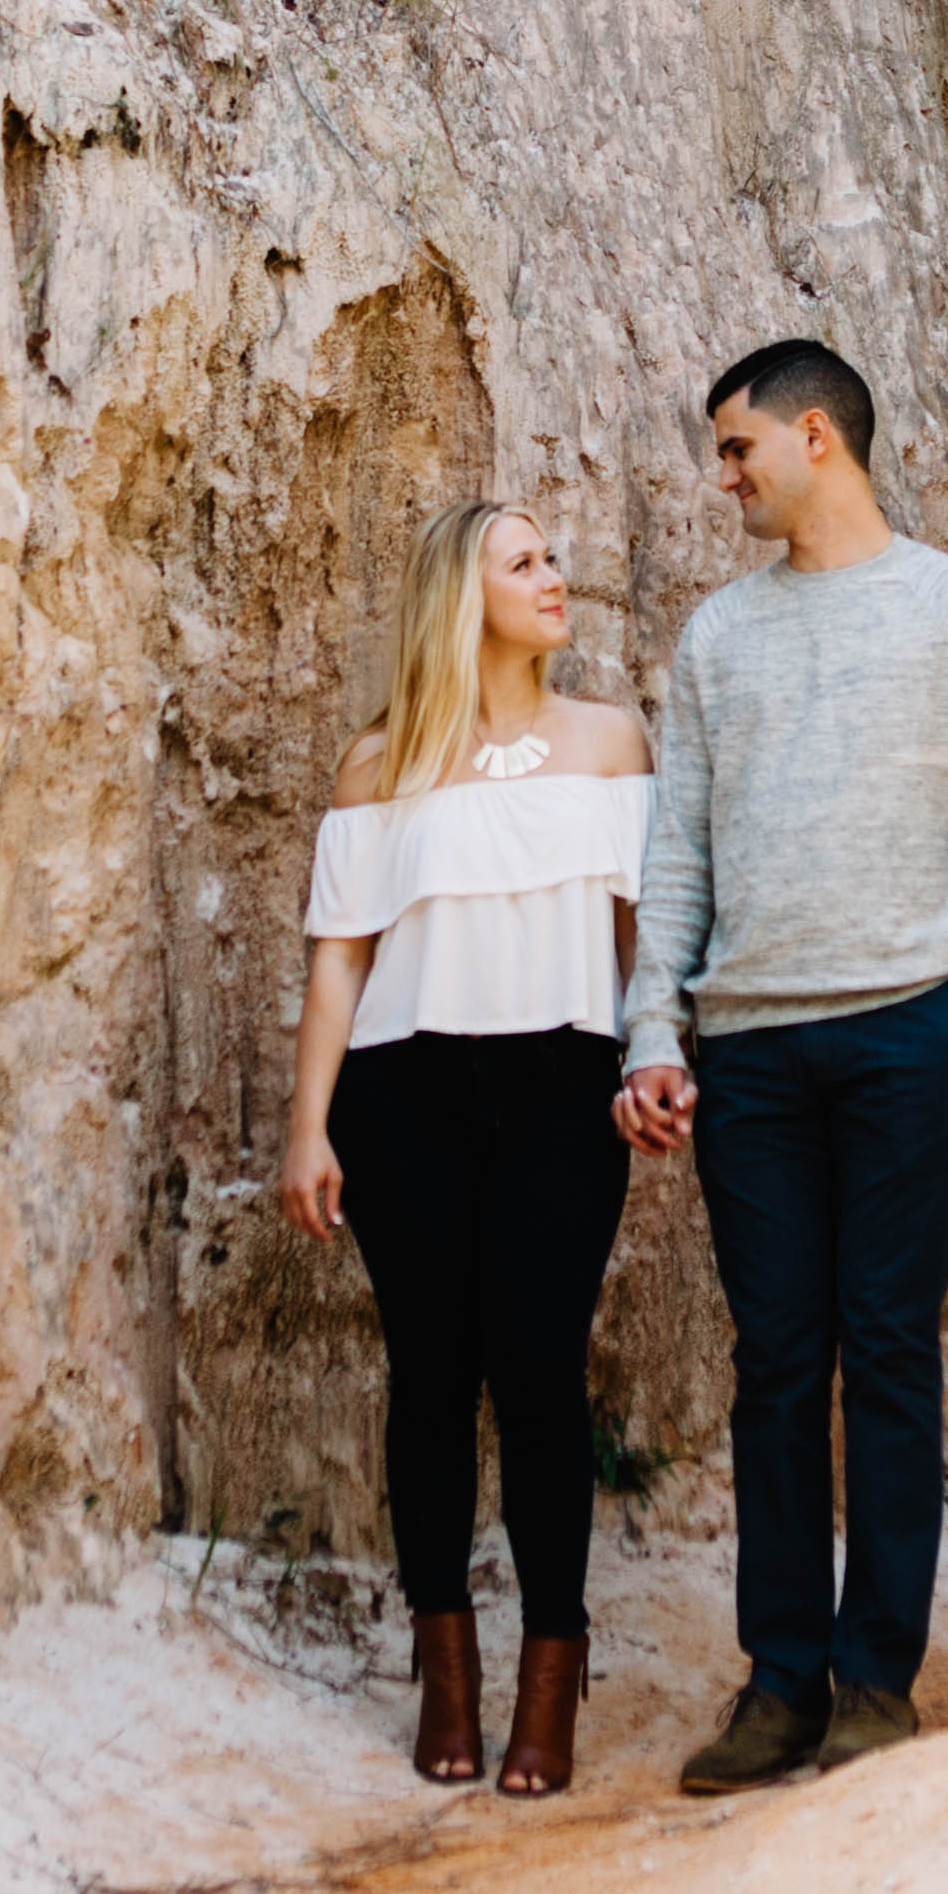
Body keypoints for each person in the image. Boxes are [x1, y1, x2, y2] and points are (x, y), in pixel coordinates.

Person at [615, 339, 948, 1794]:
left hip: (902, 1036)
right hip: (748, 1047)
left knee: (886, 1350)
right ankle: (778, 1683)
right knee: (772, 1366)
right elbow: (671, 854)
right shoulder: (717, 640)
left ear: (817, 435)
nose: (724, 476)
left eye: (738, 448)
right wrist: (654, 1025)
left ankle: (877, 1680)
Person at [282, 501, 649, 1797]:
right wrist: (306, 1127)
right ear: (463, 594)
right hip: (404, 1086)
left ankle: (551, 1669)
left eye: (556, 553)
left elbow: (643, 934)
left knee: (540, 1373)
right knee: (427, 1377)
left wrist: (660, 1058)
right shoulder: (379, 764)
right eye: (525, 560)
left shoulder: (610, 743)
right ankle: (447, 1665)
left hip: (562, 1080)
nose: (557, 575)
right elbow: (339, 961)